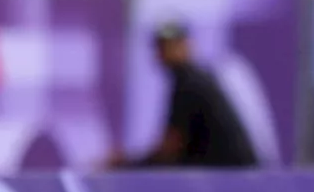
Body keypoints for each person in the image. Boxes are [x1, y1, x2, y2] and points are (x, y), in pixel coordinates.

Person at [108, 22, 259, 169]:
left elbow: (171, 149)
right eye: (162, 46)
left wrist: (128, 165)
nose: (167, 51)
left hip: (233, 178)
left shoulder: (190, 84)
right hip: (226, 175)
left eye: (173, 44)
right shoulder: (188, 81)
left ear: (187, 45)